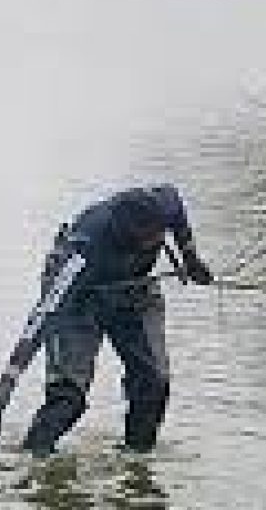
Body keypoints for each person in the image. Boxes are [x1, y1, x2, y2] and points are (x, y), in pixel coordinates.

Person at [21, 185, 214, 456]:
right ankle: (34, 456)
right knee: (68, 399)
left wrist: (190, 257)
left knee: (153, 383)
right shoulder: (84, 247)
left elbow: (177, 209)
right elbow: (45, 314)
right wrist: (8, 381)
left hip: (134, 291)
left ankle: (136, 460)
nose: (153, 244)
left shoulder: (162, 204)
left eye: (158, 236)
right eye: (144, 241)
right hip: (79, 301)